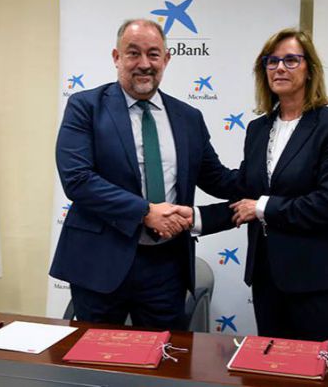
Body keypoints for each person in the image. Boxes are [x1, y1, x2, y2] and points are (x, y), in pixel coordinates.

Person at [50, 19, 236, 330]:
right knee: (98, 354)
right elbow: (78, 179)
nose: (144, 64)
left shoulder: (189, 117)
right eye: (133, 53)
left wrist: (271, 181)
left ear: (167, 59)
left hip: (166, 267)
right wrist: (145, 212)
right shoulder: (85, 107)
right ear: (116, 57)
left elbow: (217, 179)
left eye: (153, 54)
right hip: (100, 262)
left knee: (164, 355)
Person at [199, 28, 328, 344]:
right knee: (271, 365)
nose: (280, 68)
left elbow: (327, 202)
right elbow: (242, 187)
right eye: (272, 61)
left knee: (323, 368)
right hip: (267, 278)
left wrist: (261, 207)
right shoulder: (258, 129)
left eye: (290, 60)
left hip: (317, 280)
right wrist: (193, 154)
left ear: (309, 69)